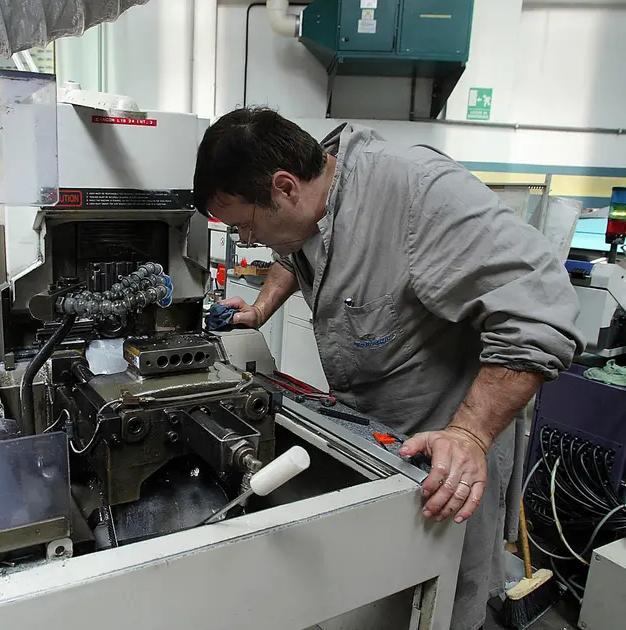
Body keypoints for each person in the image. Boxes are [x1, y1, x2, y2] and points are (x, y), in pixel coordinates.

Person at [192, 107, 583, 630]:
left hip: (450, 455)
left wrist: (468, 434)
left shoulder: (416, 195)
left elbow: (544, 309)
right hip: (376, 438)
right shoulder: (315, 193)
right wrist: (261, 309)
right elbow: (294, 250)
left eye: (244, 224)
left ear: (284, 187)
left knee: (445, 599)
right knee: (380, 597)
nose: (246, 240)